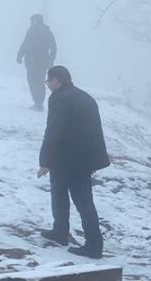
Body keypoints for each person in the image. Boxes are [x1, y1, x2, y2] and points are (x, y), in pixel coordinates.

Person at [37, 66, 110, 258]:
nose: (48, 85)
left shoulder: (59, 98)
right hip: (84, 158)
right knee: (82, 199)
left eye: (48, 81)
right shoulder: (84, 97)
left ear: (57, 80)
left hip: (66, 157)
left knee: (67, 197)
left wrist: (45, 160)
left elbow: (54, 129)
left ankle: (90, 244)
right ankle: (63, 232)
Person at [16, 14, 57, 111]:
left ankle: (39, 104)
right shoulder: (29, 31)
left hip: (41, 62)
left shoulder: (47, 32)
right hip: (30, 62)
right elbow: (25, 43)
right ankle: (36, 102)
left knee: (39, 82)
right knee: (31, 81)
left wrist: (50, 60)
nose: (33, 23)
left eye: (35, 21)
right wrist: (19, 55)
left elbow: (53, 48)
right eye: (32, 21)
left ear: (39, 21)